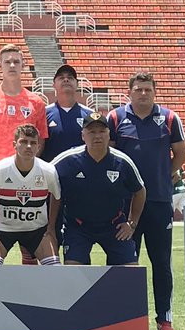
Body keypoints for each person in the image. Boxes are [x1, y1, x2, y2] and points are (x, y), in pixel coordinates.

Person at [108, 71, 185, 330]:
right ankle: (122, 316)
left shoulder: (170, 118)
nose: (143, 94)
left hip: (159, 201)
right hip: (125, 204)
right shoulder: (115, 118)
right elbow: (109, 154)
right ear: (129, 92)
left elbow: (181, 154)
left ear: (155, 92)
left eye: (148, 90)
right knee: (124, 261)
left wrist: (164, 174)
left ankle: (164, 318)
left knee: (161, 262)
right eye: (138, 89)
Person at [52, 110, 146, 267]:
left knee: (130, 272)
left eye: (102, 131)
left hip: (114, 225)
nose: (97, 136)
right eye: (92, 132)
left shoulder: (122, 161)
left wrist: (132, 223)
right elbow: (44, 174)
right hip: (78, 227)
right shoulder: (67, 159)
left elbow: (140, 190)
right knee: (73, 272)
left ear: (109, 135)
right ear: (83, 136)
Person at [0, 124, 61, 265]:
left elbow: (57, 196)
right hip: (3, 228)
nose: (28, 146)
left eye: (33, 143)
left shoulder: (48, 171)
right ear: (14, 145)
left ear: (38, 147)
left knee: (55, 268)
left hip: (36, 229)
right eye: (23, 142)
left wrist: (51, 227)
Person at [0, 45, 48, 172]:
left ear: (23, 65)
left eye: (16, 62)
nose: (12, 65)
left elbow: (41, 140)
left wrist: (27, 165)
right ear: (0, 65)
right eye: (7, 62)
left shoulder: (36, 102)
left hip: (25, 174)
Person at [40, 64, 90, 252]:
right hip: (51, 185)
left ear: (77, 84)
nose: (66, 79)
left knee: (78, 237)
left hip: (80, 186)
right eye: (61, 77)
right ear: (54, 85)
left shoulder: (88, 115)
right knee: (50, 232)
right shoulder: (44, 113)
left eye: (70, 77)